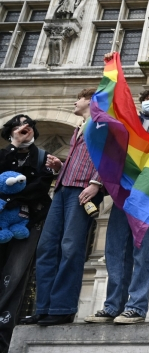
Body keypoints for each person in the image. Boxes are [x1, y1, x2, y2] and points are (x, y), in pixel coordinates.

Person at [84, 83, 149, 324]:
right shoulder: (132, 126)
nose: (143, 103)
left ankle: (136, 307)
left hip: (148, 197)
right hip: (124, 194)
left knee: (142, 253)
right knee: (115, 250)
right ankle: (113, 305)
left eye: (148, 98)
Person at [20, 88, 103, 326]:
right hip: (63, 188)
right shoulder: (79, 128)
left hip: (82, 191)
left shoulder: (103, 125)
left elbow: (111, 157)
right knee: (47, 247)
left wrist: (96, 184)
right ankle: (43, 307)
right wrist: (60, 166)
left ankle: (62, 307)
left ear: (90, 101)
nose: (74, 102)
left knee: (71, 248)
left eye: (78, 98)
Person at [0, 115, 54, 351]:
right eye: (20, 126)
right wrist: (13, 146)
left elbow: (40, 187)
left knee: (15, 275)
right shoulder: (3, 155)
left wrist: (11, 198)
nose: (26, 129)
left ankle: (4, 331)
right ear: (11, 131)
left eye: (30, 126)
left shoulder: (41, 157)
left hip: (28, 224)